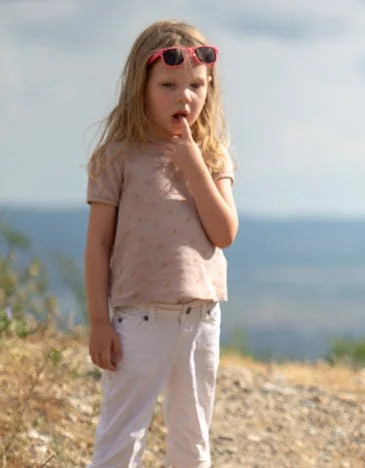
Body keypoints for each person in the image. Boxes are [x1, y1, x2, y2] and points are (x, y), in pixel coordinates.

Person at [84, 20, 238, 468]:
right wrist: (98, 321)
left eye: (196, 85)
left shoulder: (211, 155)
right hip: (139, 320)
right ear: (142, 86)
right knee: (121, 437)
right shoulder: (118, 156)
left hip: (201, 319)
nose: (184, 97)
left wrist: (193, 166)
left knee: (192, 441)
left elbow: (224, 232)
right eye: (168, 84)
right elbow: (97, 246)